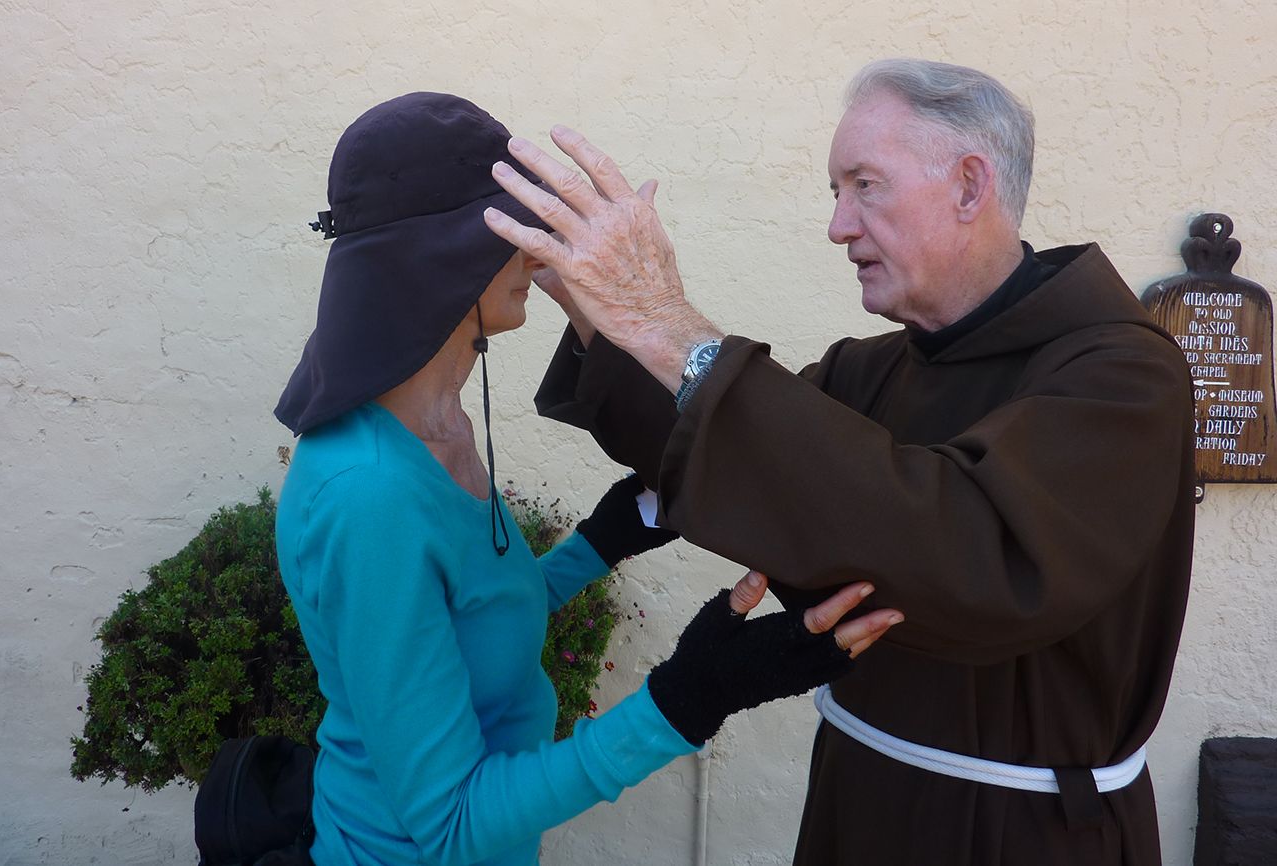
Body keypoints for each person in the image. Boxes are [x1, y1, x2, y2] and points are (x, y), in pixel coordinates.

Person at [483, 59, 1196, 865]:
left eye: (864, 185)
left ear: (969, 187)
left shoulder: (1124, 378)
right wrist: (599, 314)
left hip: (1023, 835)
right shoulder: (871, 368)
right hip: (855, 800)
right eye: (835, 192)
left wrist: (667, 321)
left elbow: (968, 561)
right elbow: (740, 462)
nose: (838, 226)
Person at [271, 92, 903, 866]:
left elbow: (478, 623)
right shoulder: (369, 493)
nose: (542, 253)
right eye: (519, 227)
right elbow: (452, 824)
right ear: (443, 259)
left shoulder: (439, 428)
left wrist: (600, 544)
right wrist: (686, 699)